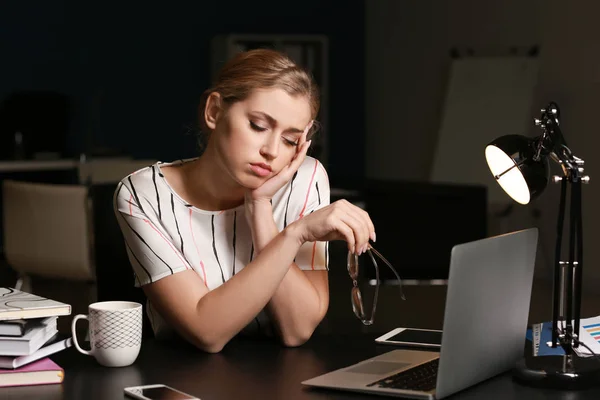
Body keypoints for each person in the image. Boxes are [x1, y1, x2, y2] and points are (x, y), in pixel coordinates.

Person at [113, 48, 375, 353]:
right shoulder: (143, 194)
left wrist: (260, 208)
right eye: (258, 126)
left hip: (282, 380)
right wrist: (294, 235)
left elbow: (297, 329)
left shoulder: (305, 178)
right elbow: (206, 331)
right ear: (214, 111)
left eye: (290, 140)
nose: (272, 151)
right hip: (183, 380)